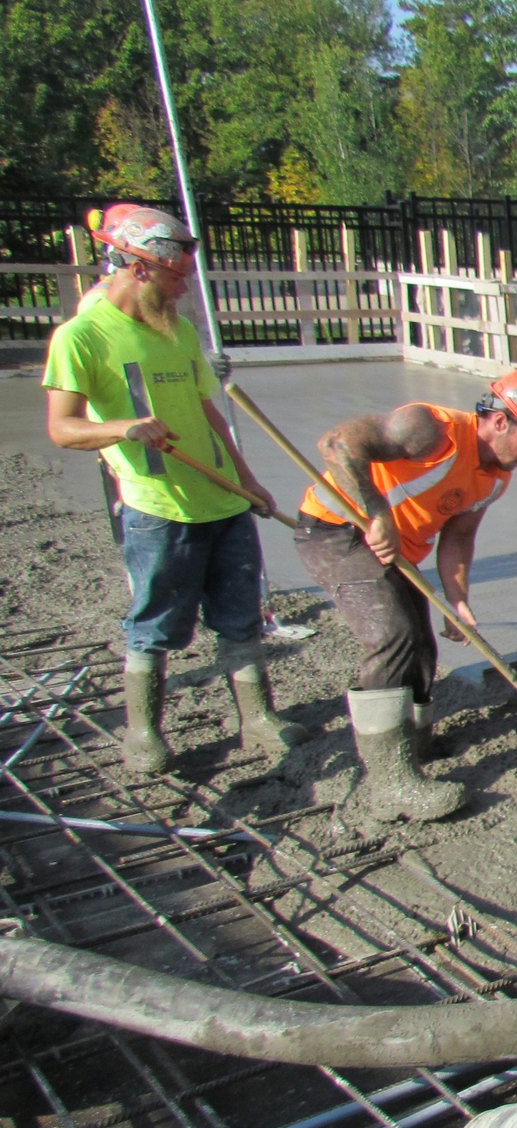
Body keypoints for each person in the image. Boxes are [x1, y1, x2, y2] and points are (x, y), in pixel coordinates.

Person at [43, 204, 306, 775]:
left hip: (222, 501)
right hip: (160, 509)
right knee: (157, 622)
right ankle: (143, 732)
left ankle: (256, 719)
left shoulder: (179, 331)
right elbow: (63, 428)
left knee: (240, 615)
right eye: (176, 274)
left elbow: (210, 411)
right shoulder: (83, 337)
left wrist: (247, 480)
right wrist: (122, 428)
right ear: (138, 267)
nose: (185, 287)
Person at [292, 367, 517, 822]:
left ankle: (413, 742)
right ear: (501, 421)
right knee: (393, 635)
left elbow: (458, 538)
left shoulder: (496, 478)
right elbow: (337, 445)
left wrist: (458, 601)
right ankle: (388, 783)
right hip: (338, 530)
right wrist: (377, 513)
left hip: (396, 551)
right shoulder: (430, 430)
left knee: (421, 644)